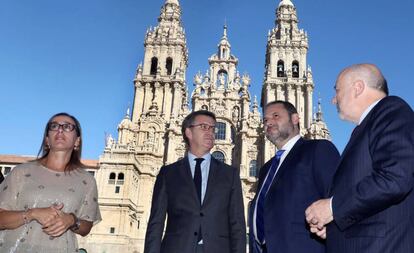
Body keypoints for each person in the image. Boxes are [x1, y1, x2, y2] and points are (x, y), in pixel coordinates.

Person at [305, 63, 414, 253]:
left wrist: (332, 207)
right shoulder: (364, 129)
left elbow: (395, 177)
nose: (333, 100)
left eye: (337, 90)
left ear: (358, 88)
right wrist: (333, 225)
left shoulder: (390, 110)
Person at [144, 110, 246, 253]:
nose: (210, 132)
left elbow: (238, 225)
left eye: (213, 128)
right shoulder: (168, 174)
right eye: (204, 127)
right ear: (189, 133)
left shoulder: (230, 174)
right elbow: (156, 223)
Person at [0, 112, 101, 252]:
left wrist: (71, 220)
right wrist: (32, 213)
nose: (60, 129)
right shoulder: (20, 172)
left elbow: (86, 227)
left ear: (77, 141)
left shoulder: (87, 181)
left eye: (67, 127)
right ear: (47, 140)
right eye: (54, 126)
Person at [249, 101, 340, 253]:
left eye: (276, 116)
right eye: (265, 120)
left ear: (295, 119)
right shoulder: (266, 169)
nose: (268, 122)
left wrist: (331, 227)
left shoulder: (317, 149)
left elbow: (340, 196)